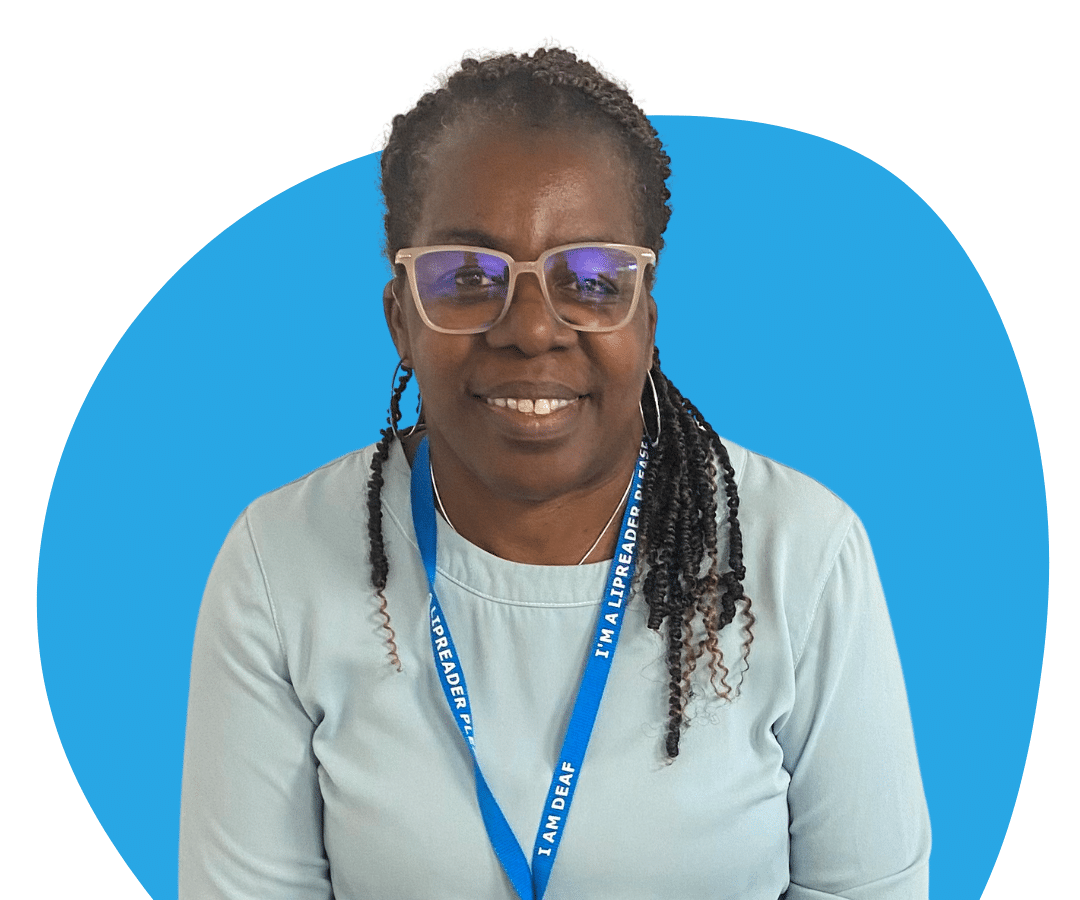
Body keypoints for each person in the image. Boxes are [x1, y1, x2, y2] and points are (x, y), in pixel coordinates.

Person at [180, 48, 931, 900]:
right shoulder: (277, 568)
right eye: (468, 277)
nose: (532, 330)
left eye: (591, 279)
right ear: (401, 317)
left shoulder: (802, 556)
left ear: (645, 315)